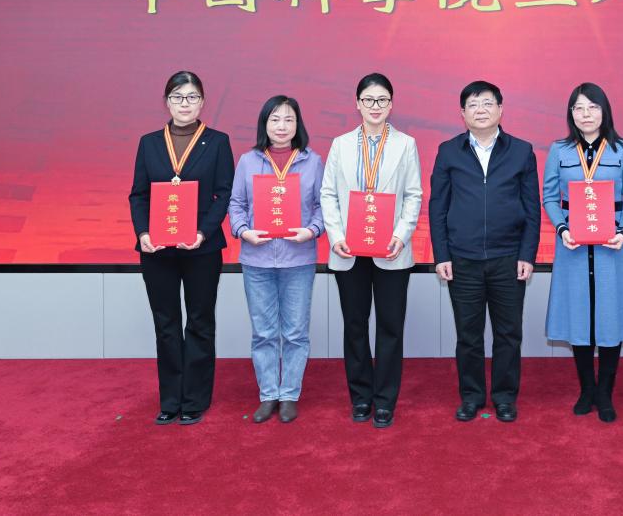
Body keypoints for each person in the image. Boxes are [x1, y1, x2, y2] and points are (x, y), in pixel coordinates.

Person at [430, 80, 540, 423]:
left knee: (509, 334)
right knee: (468, 334)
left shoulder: (521, 151)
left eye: (488, 103)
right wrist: (441, 255)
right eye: (473, 105)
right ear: (462, 113)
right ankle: (472, 396)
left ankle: (505, 397)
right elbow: (437, 207)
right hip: (462, 259)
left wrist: (527, 255)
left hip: (509, 258)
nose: (481, 110)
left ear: (500, 109)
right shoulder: (449, 151)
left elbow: (532, 208)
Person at [128, 70, 234, 426]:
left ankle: (195, 399)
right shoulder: (149, 143)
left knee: (200, 322)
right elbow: (138, 194)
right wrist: (143, 232)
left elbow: (224, 194)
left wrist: (203, 232)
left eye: (191, 97)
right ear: (167, 102)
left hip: (201, 248)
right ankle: (170, 399)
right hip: (157, 250)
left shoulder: (217, 142)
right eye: (177, 97)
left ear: (202, 102)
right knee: (166, 323)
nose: (184, 103)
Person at [320, 73, 423, 429]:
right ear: (357, 104)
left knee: (391, 327)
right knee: (355, 325)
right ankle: (361, 396)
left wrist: (401, 236)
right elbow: (328, 194)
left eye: (382, 100)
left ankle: (385, 400)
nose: (375, 106)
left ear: (391, 104)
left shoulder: (406, 144)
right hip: (349, 249)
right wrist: (336, 236)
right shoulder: (340, 144)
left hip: (391, 249)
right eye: (368, 100)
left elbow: (413, 195)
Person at [543, 83, 623, 423]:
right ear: (571, 113)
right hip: (572, 244)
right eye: (579, 108)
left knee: (611, 316)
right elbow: (549, 196)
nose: (586, 114)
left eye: (593, 107)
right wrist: (562, 229)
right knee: (579, 317)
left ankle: (605, 393)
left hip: (612, 245)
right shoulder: (559, 150)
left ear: (604, 111)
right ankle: (587, 389)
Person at [228, 96, 324, 424]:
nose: (281, 126)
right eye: (275, 119)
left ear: (298, 124)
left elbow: (323, 205)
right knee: (264, 332)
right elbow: (236, 204)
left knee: (295, 332)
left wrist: (312, 231)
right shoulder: (248, 161)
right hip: (257, 259)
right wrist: (243, 231)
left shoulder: (312, 161)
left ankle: (290, 395)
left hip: (298, 259)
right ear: (264, 124)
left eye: (288, 119)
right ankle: (268, 394)